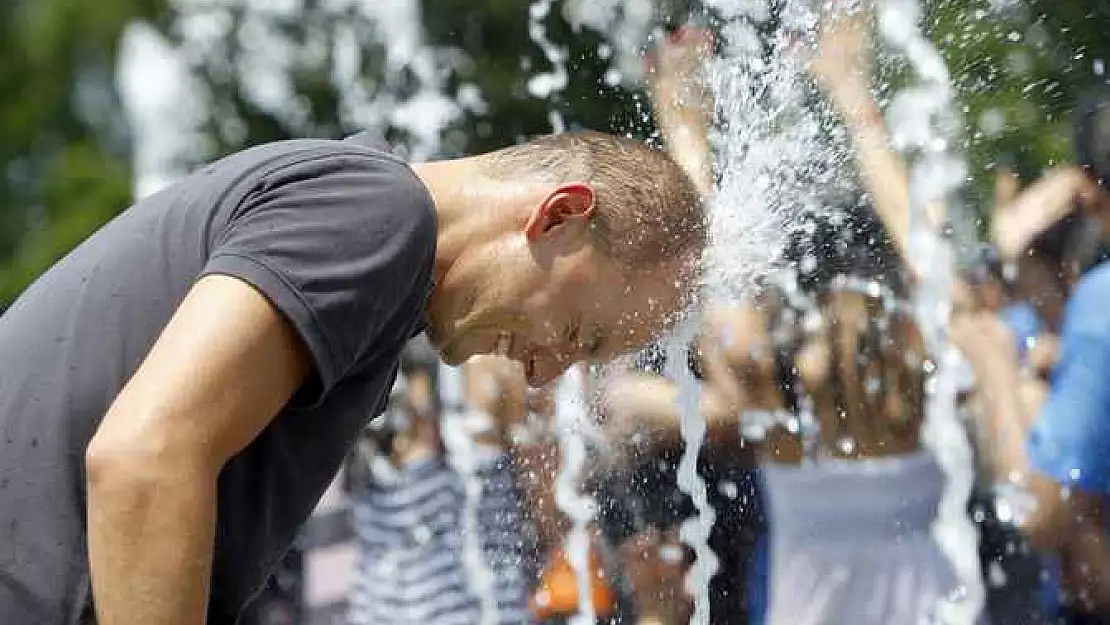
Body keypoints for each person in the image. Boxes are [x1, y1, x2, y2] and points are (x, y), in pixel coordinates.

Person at [0, 129, 706, 624]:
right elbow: (142, 459)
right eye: (579, 333)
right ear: (557, 215)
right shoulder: (379, 215)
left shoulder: (365, 230)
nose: (549, 369)